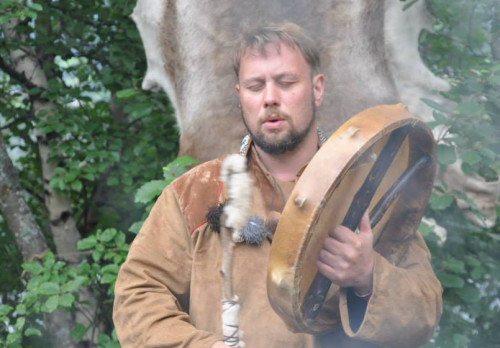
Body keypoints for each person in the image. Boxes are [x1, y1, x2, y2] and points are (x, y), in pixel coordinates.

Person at [113, 23, 442, 348]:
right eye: (256, 86)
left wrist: (367, 276)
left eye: (286, 82)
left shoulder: (369, 189)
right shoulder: (195, 194)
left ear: (317, 88)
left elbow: (425, 312)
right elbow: (137, 296)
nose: (270, 98)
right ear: (241, 96)